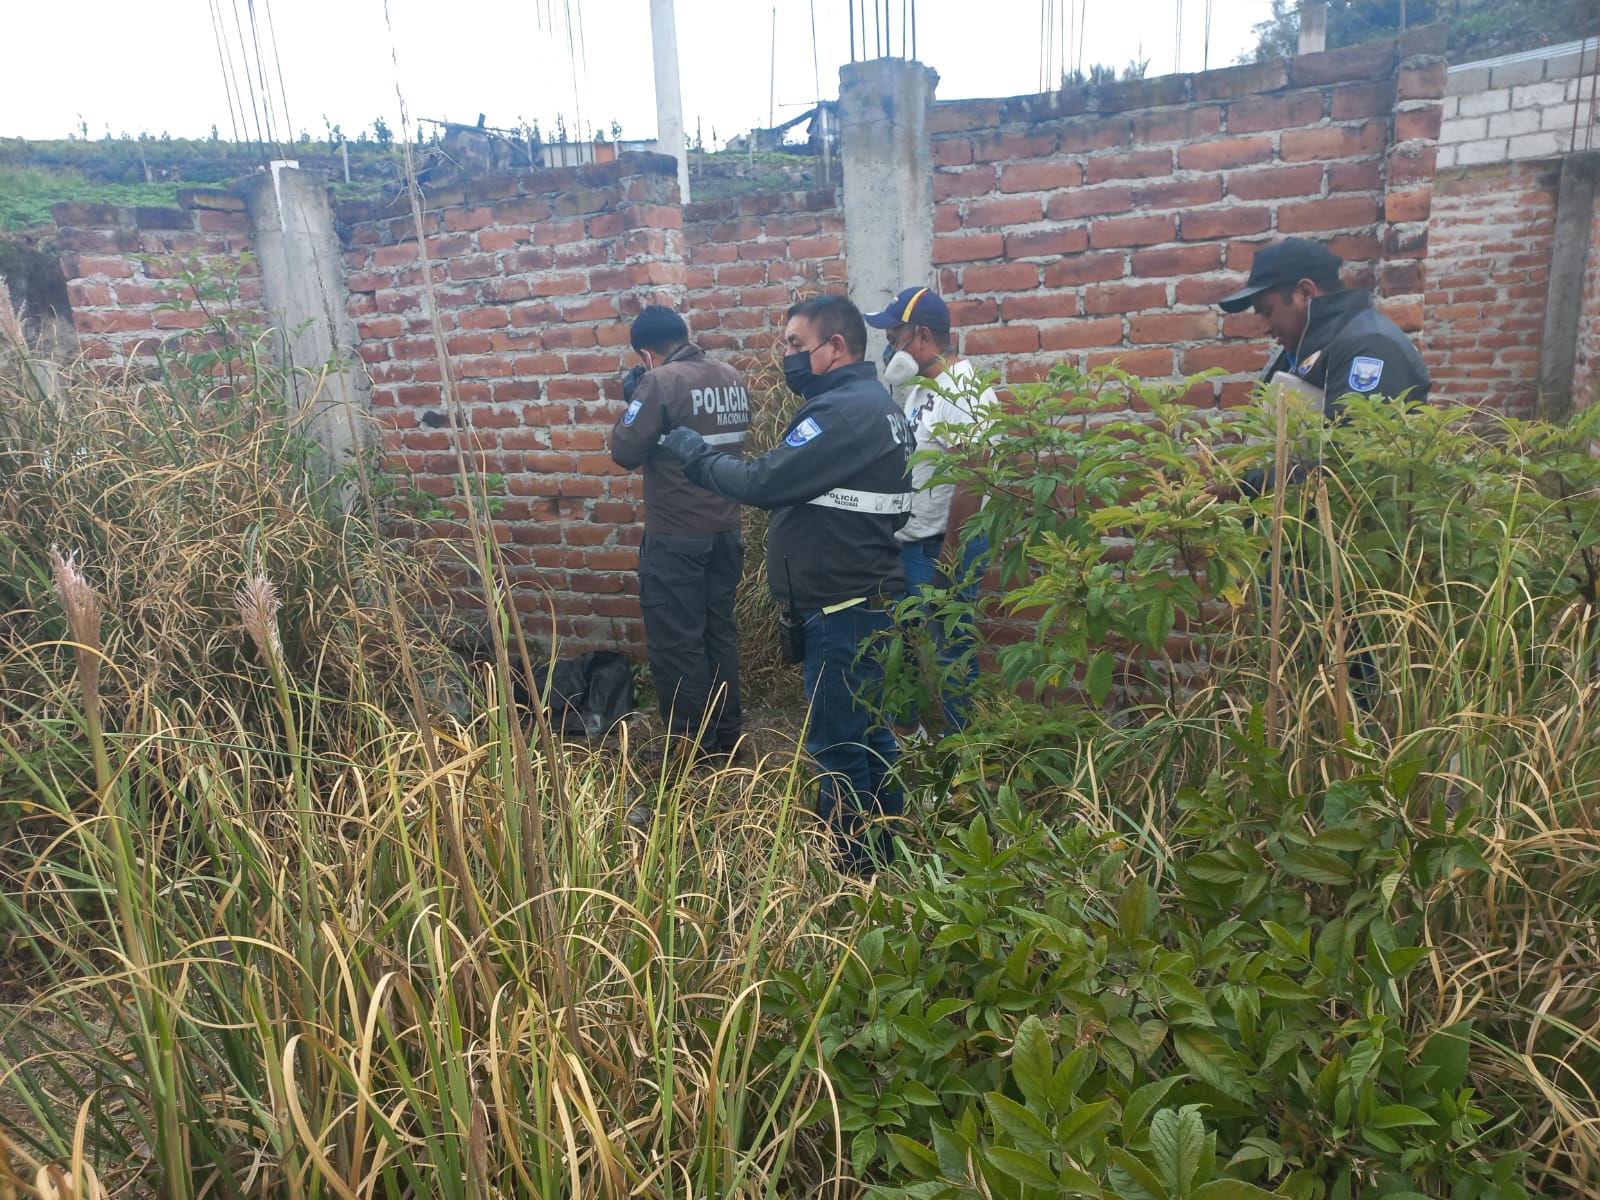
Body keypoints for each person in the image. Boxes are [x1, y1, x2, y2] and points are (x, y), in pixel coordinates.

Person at [656, 294, 914, 871]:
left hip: (842, 609)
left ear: (836, 346)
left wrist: (696, 455)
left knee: (838, 746)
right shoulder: (880, 405)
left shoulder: (839, 414)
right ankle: (892, 854)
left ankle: (857, 876)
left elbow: (761, 482)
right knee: (872, 736)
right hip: (868, 598)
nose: (787, 357)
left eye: (796, 345)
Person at [609, 305, 751, 763]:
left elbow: (625, 450)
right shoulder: (731, 375)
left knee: (677, 642)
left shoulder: (660, 382)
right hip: (725, 529)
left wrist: (634, 398)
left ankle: (691, 748)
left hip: (676, 537)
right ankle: (727, 733)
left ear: (647, 354)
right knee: (718, 635)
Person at [863, 286, 996, 736]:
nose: (888, 345)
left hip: (944, 545)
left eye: (894, 334)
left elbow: (973, 480)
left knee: (950, 651)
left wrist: (951, 563)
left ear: (921, 336)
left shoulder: (965, 392)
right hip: (911, 540)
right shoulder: (922, 388)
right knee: (899, 642)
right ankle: (909, 736)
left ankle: (968, 758)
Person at [1219, 237, 1430, 416]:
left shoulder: (1370, 345)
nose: (1265, 328)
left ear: (1305, 293)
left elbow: (1352, 452)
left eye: (1267, 312)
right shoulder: (1298, 351)